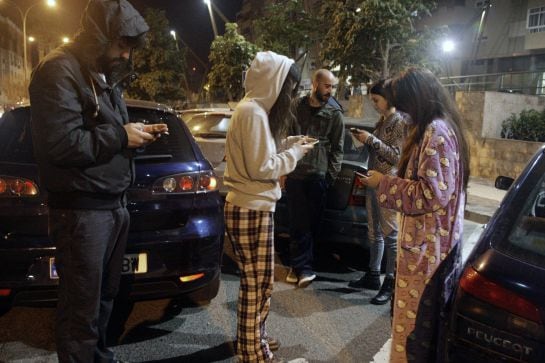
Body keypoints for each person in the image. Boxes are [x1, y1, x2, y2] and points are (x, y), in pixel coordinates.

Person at [28, 1, 167, 362]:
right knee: (81, 310)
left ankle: (99, 358)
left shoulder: (98, 71)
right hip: (82, 213)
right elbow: (61, 143)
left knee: (104, 300)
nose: (125, 54)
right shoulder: (58, 71)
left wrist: (137, 133)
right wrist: (123, 137)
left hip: (111, 207)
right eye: (121, 44)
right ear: (99, 36)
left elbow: (108, 129)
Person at [361, 68, 469, 362]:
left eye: (404, 104)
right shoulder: (438, 128)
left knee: (414, 337)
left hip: (426, 254)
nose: (403, 113)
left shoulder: (436, 133)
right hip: (427, 249)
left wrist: (381, 183)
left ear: (416, 100)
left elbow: (431, 194)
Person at [224, 51, 313, 363]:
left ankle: (253, 336)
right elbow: (262, 167)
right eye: (290, 87)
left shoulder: (254, 109)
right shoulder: (253, 112)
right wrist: (296, 155)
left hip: (253, 205)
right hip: (251, 207)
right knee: (257, 282)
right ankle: (251, 350)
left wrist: (290, 144)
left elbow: (260, 154)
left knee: (260, 281)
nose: (291, 94)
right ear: (275, 82)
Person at [285, 69, 344, 288]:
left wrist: (331, 176)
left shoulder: (335, 113)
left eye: (332, 87)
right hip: (296, 173)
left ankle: (300, 265)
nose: (330, 91)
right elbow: (285, 136)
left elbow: (338, 148)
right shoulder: (296, 106)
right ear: (315, 84)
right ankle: (302, 268)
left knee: (311, 224)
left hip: (318, 175)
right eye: (327, 86)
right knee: (297, 222)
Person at [349, 79, 406, 305]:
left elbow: (396, 155)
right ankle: (373, 275)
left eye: (376, 100)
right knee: (374, 231)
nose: (374, 104)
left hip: (388, 183)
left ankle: (389, 281)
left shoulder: (398, 121)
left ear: (389, 98)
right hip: (374, 180)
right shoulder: (384, 121)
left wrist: (370, 139)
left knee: (390, 234)